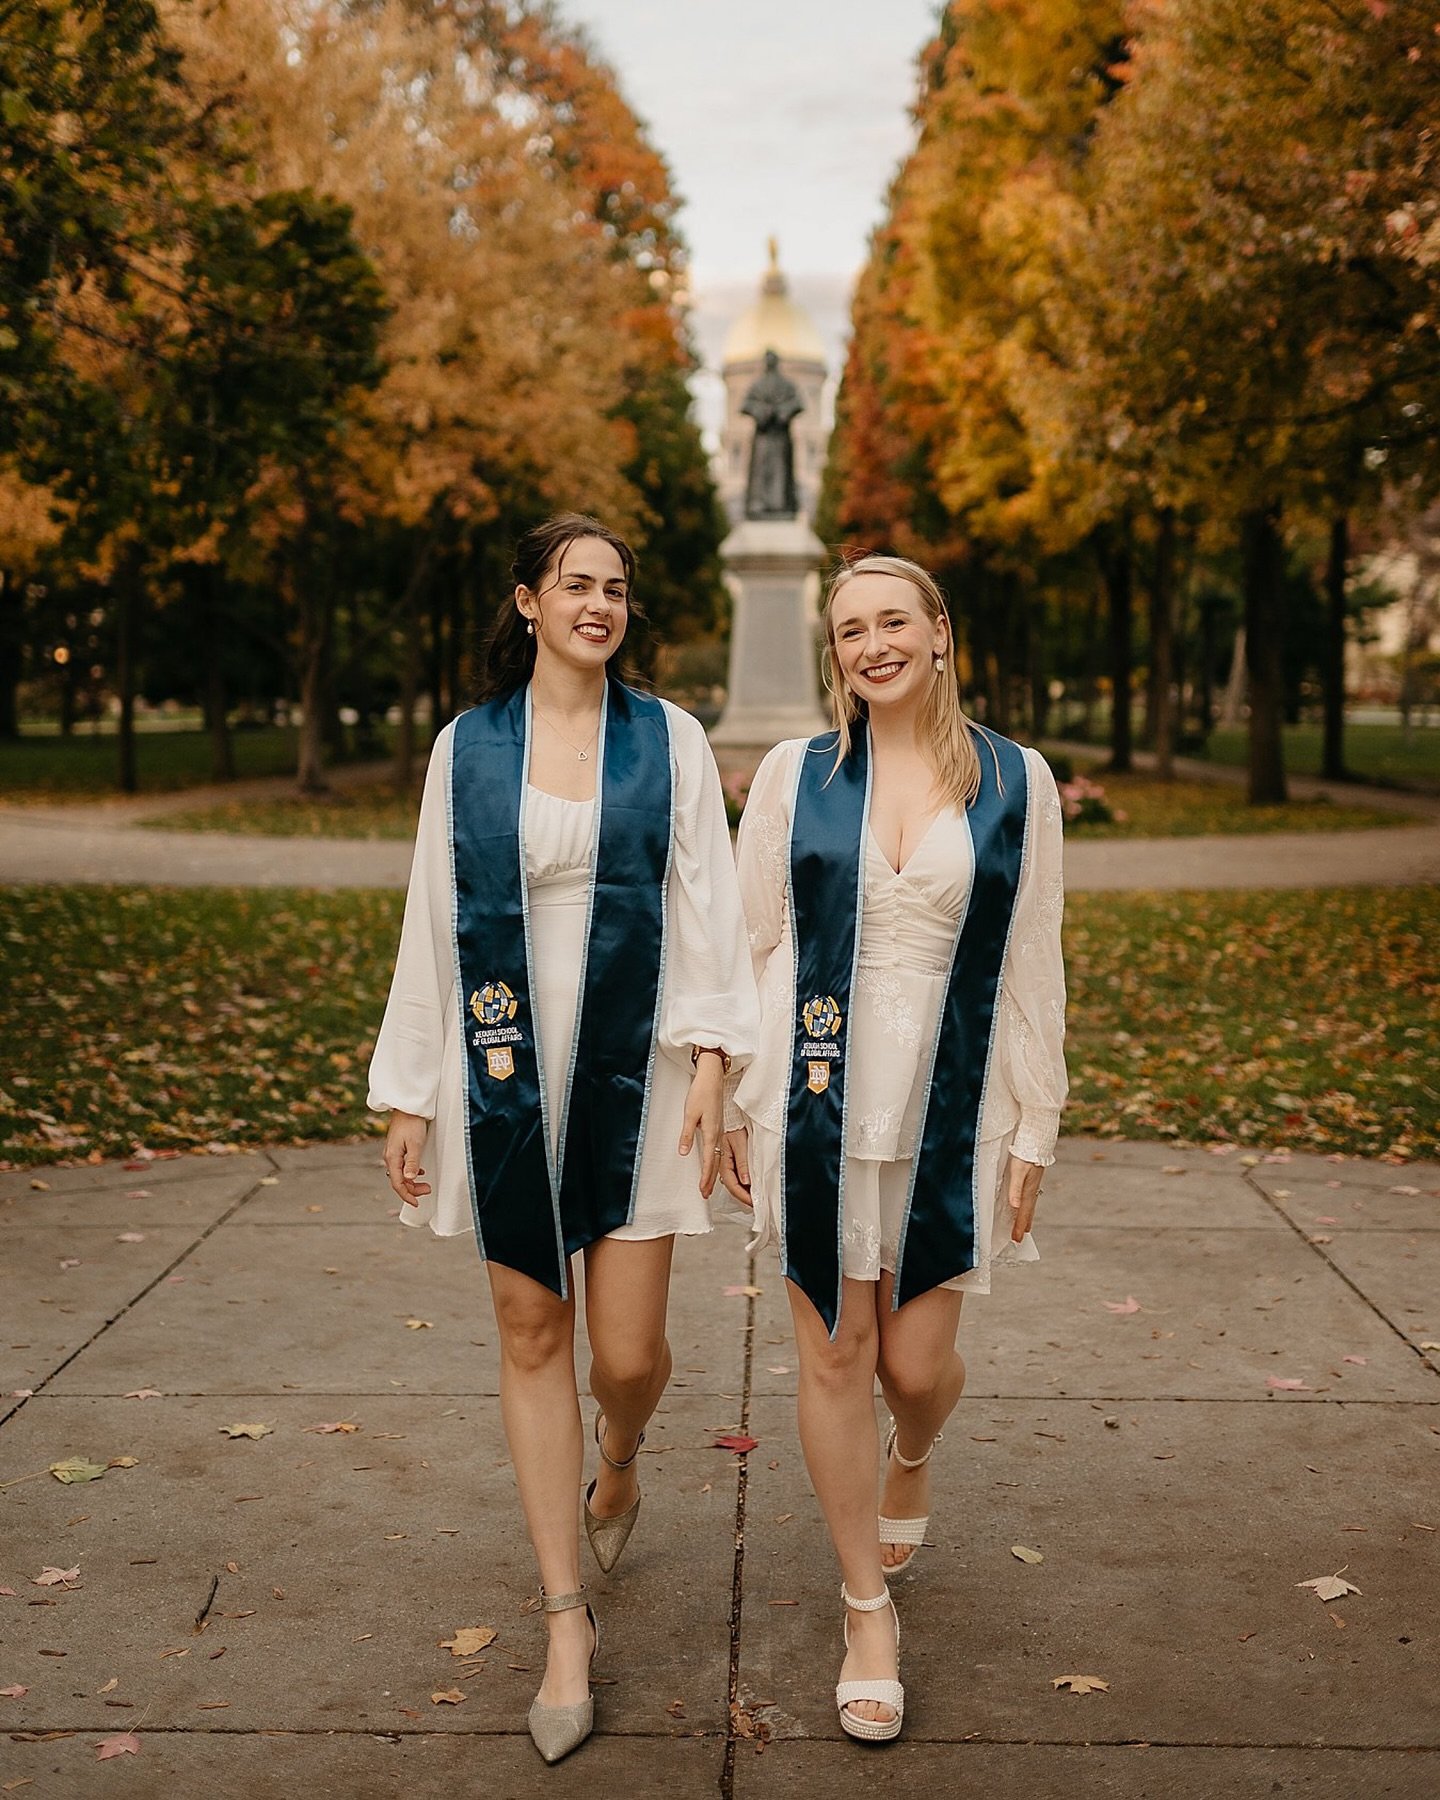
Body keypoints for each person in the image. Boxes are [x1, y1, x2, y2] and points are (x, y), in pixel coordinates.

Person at [369, 514, 758, 1764]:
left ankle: (623, 1450)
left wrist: (714, 1059)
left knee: (627, 1352)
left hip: (636, 1064)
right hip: (502, 1066)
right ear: (528, 602)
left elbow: (707, 897)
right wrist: (408, 1088)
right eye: (576, 585)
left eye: (617, 589)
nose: (599, 603)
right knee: (531, 1327)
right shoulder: (467, 748)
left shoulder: (673, 740)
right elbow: (435, 911)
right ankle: (564, 1621)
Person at [721, 553, 1066, 1744]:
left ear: (938, 633)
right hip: (813, 1089)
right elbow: (752, 943)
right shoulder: (795, 774)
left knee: (912, 1368)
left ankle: (912, 1450)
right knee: (832, 1353)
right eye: (850, 628)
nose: (873, 644)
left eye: (892, 622)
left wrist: (1038, 1120)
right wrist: (729, 1099)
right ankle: (867, 1608)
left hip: (949, 1098)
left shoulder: (1017, 781)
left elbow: (1032, 957)